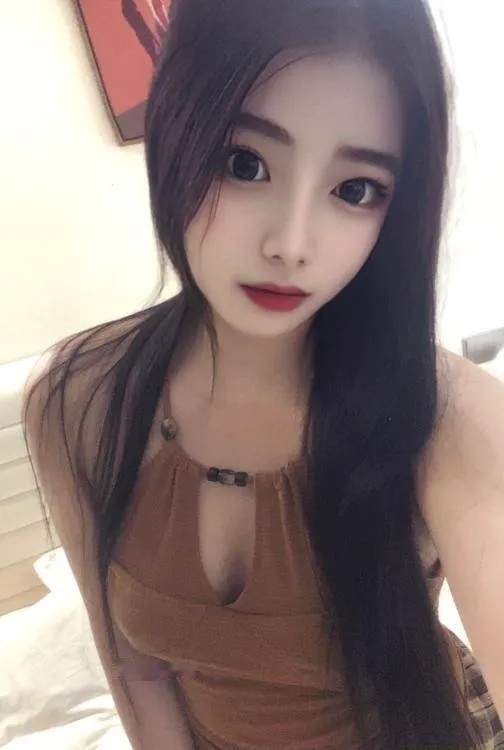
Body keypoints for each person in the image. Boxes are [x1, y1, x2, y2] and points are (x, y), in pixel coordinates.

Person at [23, 0, 504, 748]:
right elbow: (138, 672)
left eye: (355, 189)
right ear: (174, 134)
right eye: (244, 164)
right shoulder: (78, 402)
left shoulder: (449, 416)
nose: (292, 242)